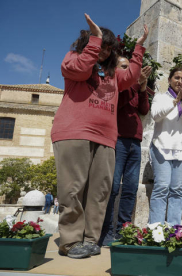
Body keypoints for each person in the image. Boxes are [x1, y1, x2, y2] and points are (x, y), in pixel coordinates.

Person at [51, 13, 148, 259]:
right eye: (100, 46)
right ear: (89, 44)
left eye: (107, 48)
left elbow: (132, 77)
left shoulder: (113, 75)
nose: (104, 51)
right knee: (72, 189)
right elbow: (83, 70)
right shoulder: (73, 59)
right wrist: (95, 39)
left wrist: (139, 47)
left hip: (106, 138)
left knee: (100, 192)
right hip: (74, 133)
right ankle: (71, 242)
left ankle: (91, 240)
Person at [99, 57, 153, 246]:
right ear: (115, 70)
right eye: (124, 67)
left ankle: (123, 230)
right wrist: (135, 85)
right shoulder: (115, 85)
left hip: (135, 142)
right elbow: (119, 103)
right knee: (113, 188)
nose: (128, 71)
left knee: (130, 189)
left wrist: (143, 88)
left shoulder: (134, 87)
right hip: (118, 140)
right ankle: (105, 231)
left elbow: (144, 110)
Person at [148, 67, 182, 226]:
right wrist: (175, 101)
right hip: (161, 148)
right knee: (161, 188)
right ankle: (156, 228)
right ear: (169, 80)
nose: (179, 81)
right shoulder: (160, 98)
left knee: (176, 190)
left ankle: (174, 228)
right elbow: (156, 115)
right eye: (176, 77)